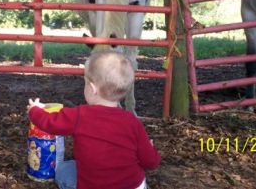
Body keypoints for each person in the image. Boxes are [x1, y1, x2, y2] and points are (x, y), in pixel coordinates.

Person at [27, 50, 161, 189]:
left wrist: (34, 110)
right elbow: (150, 162)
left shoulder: (80, 115)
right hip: (132, 185)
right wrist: (151, 149)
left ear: (92, 88)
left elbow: (51, 122)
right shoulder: (132, 122)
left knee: (63, 169)